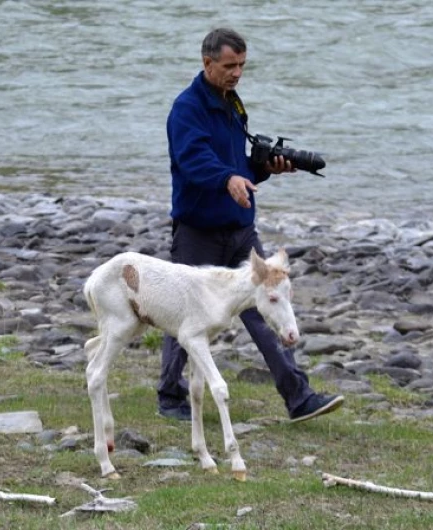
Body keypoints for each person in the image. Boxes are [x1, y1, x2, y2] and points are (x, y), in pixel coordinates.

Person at [158, 27, 343, 423]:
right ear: (207, 63)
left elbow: (236, 164)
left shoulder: (232, 103)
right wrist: (227, 179)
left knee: (265, 307)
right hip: (198, 231)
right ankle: (170, 395)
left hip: (241, 230)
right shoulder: (186, 109)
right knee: (184, 312)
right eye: (229, 66)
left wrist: (264, 168)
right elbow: (193, 160)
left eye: (241, 65)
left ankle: (299, 397)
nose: (237, 73)